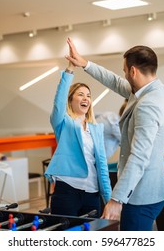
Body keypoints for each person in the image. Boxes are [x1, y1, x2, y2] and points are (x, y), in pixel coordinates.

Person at [66, 37, 164, 231]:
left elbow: (139, 157)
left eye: (125, 70)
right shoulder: (153, 90)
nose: (123, 74)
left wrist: (116, 199)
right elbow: (114, 81)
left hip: (140, 196)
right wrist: (84, 63)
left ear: (133, 71)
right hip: (153, 191)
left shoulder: (148, 104)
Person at [44, 62, 111, 218]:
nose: (85, 98)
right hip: (67, 190)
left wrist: (108, 200)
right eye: (80, 94)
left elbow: (101, 165)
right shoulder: (63, 123)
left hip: (92, 194)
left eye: (88, 95)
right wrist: (70, 70)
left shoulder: (96, 128)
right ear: (70, 99)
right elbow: (58, 102)